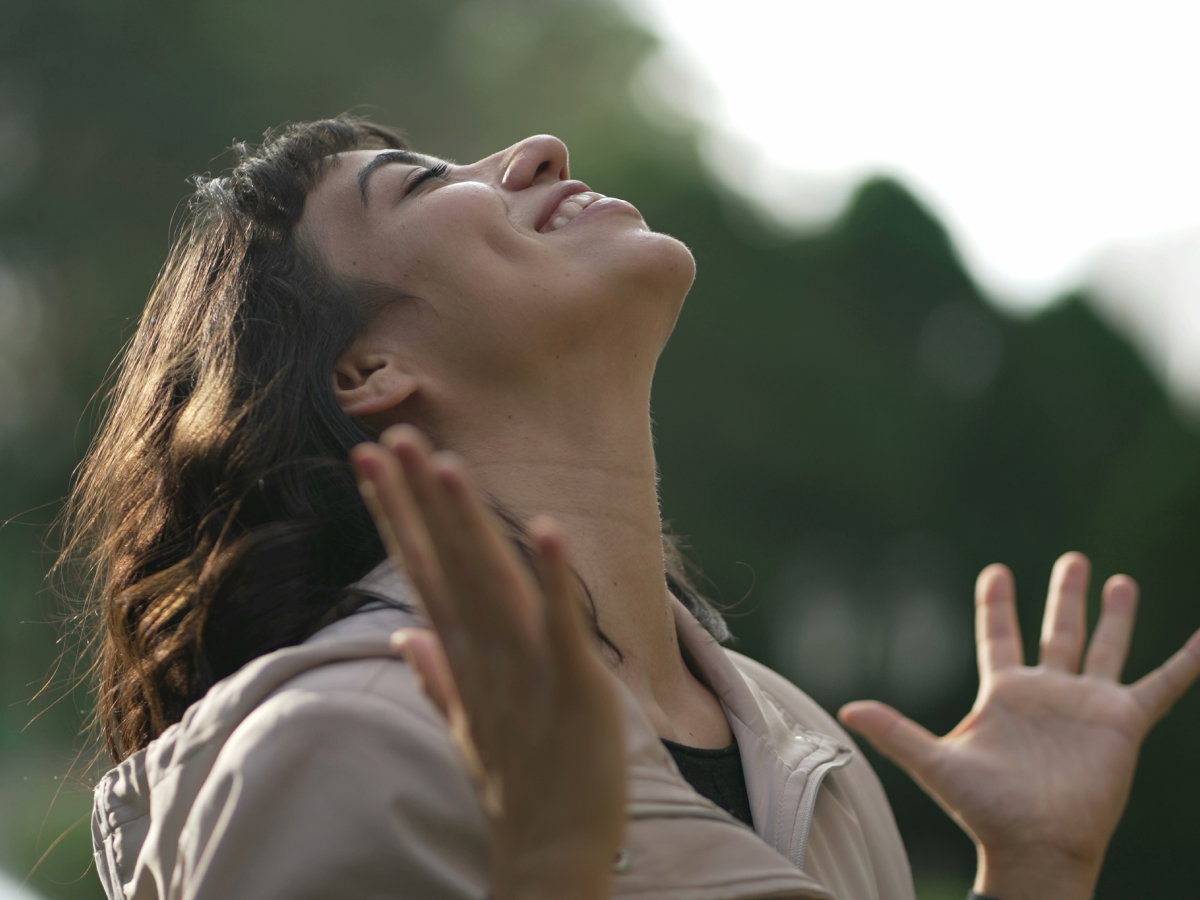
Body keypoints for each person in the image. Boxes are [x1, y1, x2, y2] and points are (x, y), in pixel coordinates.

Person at [65, 116, 1199, 900]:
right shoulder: (342, 742)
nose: (541, 149)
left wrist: (1039, 870)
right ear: (364, 372)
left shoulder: (813, 763)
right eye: (420, 181)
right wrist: (553, 862)